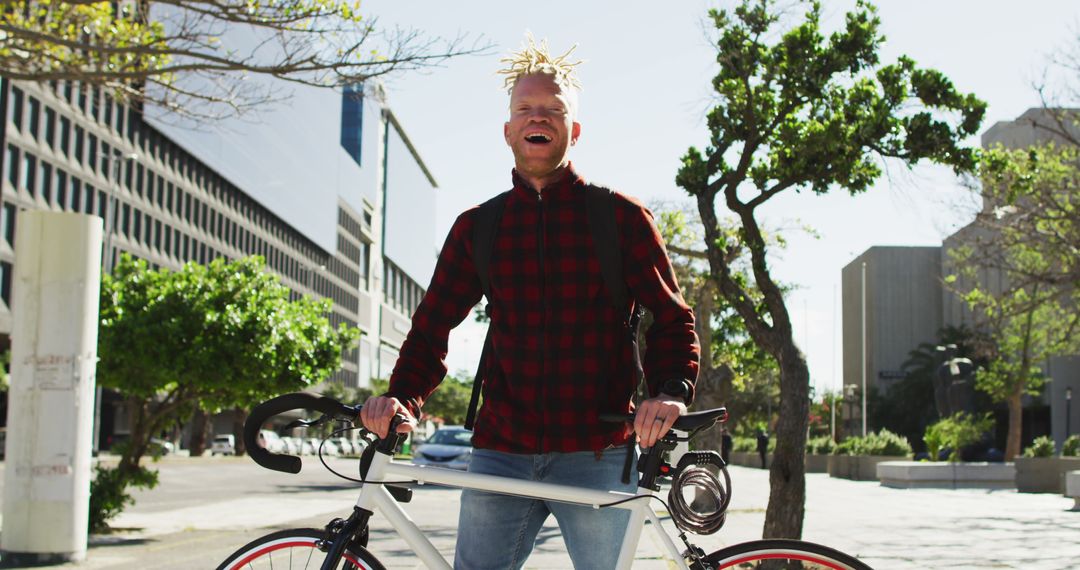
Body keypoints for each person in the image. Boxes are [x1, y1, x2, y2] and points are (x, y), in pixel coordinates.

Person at [360, 35, 700, 569]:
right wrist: (401, 396)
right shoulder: (479, 227)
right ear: (508, 129)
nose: (536, 117)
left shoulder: (620, 218)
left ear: (574, 130)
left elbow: (672, 318)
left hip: (599, 451)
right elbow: (432, 327)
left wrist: (670, 392)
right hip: (501, 452)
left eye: (552, 110)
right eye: (524, 109)